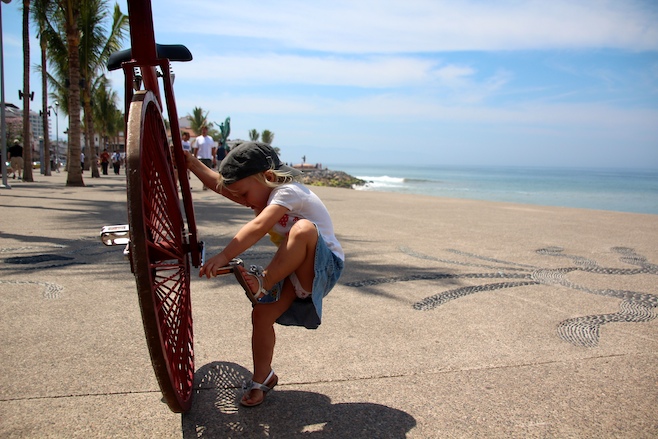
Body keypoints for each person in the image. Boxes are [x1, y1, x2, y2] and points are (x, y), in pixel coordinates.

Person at [185, 142, 344, 407]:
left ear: (268, 177)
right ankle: (263, 378)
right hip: (294, 271)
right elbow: (223, 186)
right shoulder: (264, 192)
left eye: (245, 194)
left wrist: (224, 256)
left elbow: (258, 226)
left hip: (324, 267)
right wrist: (192, 164)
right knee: (261, 315)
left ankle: (264, 281)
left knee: (304, 229)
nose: (243, 201)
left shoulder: (290, 192)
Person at [193, 125, 216, 190]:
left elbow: (213, 149)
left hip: (208, 158)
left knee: (208, 173)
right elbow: (196, 149)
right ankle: (204, 184)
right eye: (203, 129)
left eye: (205, 129)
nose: (204, 131)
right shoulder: (198, 139)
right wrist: (195, 157)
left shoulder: (210, 139)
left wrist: (214, 157)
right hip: (201, 157)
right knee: (202, 173)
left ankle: (206, 184)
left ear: (207, 130)